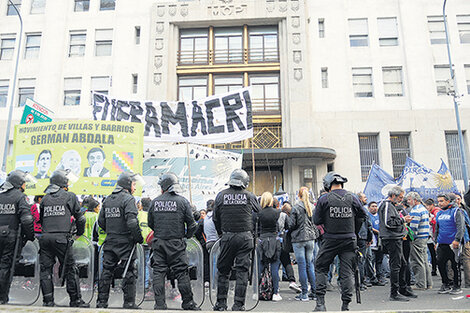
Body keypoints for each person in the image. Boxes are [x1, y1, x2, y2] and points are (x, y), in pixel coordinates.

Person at [313, 172, 366, 312]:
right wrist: (354, 230)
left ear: (327, 184)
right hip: (349, 240)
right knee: (347, 272)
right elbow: (362, 216)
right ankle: (346, 305)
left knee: (321, 267)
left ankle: (320, 303)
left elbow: (316, 220)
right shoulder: (353, 197)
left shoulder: (324, 199)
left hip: (330, 239)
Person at [148, 173, 200, 310]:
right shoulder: (182, 202)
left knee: (159, 272)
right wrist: (186, 236)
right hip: (176, 243)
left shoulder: (155, 202)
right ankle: (188, 303)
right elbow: (192, 224)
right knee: (182, 273)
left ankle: (159, 304)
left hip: (159, 242)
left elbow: (150, 223)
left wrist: (161, 232)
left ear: (164, 186)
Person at [39, 169, 88, 307]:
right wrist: (79, 232)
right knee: (70, 269)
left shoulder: (45, 198)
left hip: (46, 238)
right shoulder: (70, 196)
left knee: (45, 270)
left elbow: (42, 220)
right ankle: (75, 300)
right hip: (62, 238)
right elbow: (81, 218)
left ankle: (48, 301)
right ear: (64, 183)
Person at [212, 169, 260, 311]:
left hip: (227, 236)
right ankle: (238, 305)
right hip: (245, 237)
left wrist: (222, 234)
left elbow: (215, 218)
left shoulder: (221, 195)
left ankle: (221, 304)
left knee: (223, 271)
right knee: (242, 272)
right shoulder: (250, 196)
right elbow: (259, 213)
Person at [96, 172, 144, 309]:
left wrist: (112, 231)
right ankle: (129, 303)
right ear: (127, 185)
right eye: (134, 184)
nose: (135, 188)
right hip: (125, 241)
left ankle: (102, 302)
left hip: (110, 240)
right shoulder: (128, 199)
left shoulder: (108, 199)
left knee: (106, 271)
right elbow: (132, 223)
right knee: (129, 271)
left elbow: (101, 221)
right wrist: (138, 238)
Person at [0, 170, 35, 304]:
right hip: (10, 235)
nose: (25, 185)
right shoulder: (19, 196)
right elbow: (26, 219)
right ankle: (2, 297)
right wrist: (30, 236)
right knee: (5, 266)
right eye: (24, 183)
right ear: (18, 183)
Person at [379, 186, 415, 302]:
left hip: (396, 237)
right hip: (391, 238)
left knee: (403, 264)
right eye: (400, 197)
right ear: (393, 196)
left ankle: (402, 288)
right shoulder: (387, 205)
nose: (401, 199)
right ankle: (394, 293)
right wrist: (403, 220)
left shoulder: (391, 206)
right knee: (396, 265)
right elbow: (388, 223)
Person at [286, 187, 317, 302]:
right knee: (310, 265)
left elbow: (291, 225)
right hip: (310, 238)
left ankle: (304, 293)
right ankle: (314, 292)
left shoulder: (296, 207)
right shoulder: (312, 206)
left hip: (299, 239)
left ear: (298, 195)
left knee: (302, 266)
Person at [435, 193, 465, 295]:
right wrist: (436, 241)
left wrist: (457, 239)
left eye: (442, 201)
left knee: (455, 265)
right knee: (440, 263)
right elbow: (437, 229)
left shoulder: (456, 211)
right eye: (438, 201)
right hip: (441, 243)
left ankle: (457, 286)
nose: (439, 203)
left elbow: (461, 227)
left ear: (448, 201)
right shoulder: (439, 213)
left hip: (453, 243)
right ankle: (446, 284)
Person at [257, 192, 282, 301]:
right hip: (274, 240)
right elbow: (280, 227)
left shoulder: (259, 213)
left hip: (262, 240)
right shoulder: (277, 212)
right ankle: (275, 293)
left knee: (261, 266)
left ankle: (258, 291)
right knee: (275, 268)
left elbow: (255, 228)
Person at [406, 192, 432, 290]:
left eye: (409, 199)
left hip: (417, 239)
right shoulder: (424, 209)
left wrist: (411, 238)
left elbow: (413, 228)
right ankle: (428, 283)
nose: (408, 201)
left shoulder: (415, 211)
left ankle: (420, 284)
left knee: (417, 261)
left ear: (415, 200)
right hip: (424, 237)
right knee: (424, 261)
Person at [278, 201, 301, 293]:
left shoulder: (272, 215)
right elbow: (289, 226)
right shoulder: (285, 216)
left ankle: (274, 285)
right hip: (283, 242)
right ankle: (292, 280)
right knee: (287, 261)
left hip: (271, 242)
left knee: (274, 264)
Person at [356, 192, 373, 290]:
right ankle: (360, 283)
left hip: (354, 237)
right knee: (361, 260)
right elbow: (368, 225)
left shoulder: (353, 209)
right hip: (362, 237)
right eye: (364, 197)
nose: (366, 199)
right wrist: (369, 238)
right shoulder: (363, 210)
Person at [366, 201, 386, 286]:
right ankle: (369, 277)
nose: (374, 208)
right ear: (369, 208)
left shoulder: (379, 216)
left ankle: (380, 276)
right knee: (371, 260)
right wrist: (376, 231)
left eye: (376, 206)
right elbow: (369, 226)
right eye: (373, 206)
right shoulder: (368, 216)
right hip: (372, 241)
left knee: (379, 260)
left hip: (380, 241)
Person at [424, 198, 440, 276]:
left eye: (428, 205)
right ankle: (434, 269)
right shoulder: (429, 212)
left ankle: (435, 268)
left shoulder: (436, 211)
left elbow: (437, 221)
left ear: (432, 205)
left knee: (435, 253)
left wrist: (431, 220)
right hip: (431, 235)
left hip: (435, 235)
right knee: (432, 253)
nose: (427, 207)